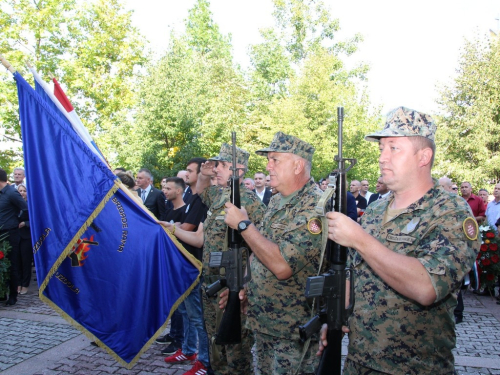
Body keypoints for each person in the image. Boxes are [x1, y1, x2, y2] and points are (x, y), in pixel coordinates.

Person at [319, 106, 479, 374]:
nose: (382, 157)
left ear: (423, 156)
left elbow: (427, 287)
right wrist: (334, 317)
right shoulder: (375, 211)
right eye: (381, 148)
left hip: (415, 368)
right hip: (359, 362)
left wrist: (359, 239)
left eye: (394, 148)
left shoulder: (450, 212)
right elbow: (355, 275)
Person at [224, 132, 322, 374]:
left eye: (275, 160)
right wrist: (246, 285)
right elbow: (261, 250)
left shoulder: (314, 208)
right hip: (265, 320)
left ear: (298, 165)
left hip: (292, 330)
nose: (268, 166)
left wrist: (244, 225)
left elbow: (282, 266)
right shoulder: (278, 202)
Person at [196, 143, 266, 375]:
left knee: (236, 351)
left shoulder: (250, 201)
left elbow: (263, 245)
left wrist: (246, 281)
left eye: (222, 165)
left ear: (239, 170)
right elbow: (202, 191)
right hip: (212, 285)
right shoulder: (219, 195)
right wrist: (204, 175)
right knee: (216, 345)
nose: (217, 169)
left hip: (232, 287)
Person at [0, 168, 28, 306]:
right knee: (2, 265)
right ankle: (1, 293)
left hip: (11, 233)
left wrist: (16, 221)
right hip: (1, 234)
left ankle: (12, 295)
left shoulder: (11, 192)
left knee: (12, 264)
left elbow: (25, 209)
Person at [17, 184, 31, 295]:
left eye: (24, 191)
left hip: (27, 236)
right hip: (16, 236)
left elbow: (36, 220)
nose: (22, 193)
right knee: (17, 262)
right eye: (20, 191)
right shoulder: (14, 204)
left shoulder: (31, 204)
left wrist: (26, 223)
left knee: (25, 261)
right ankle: (18, 284)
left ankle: (25, 284)